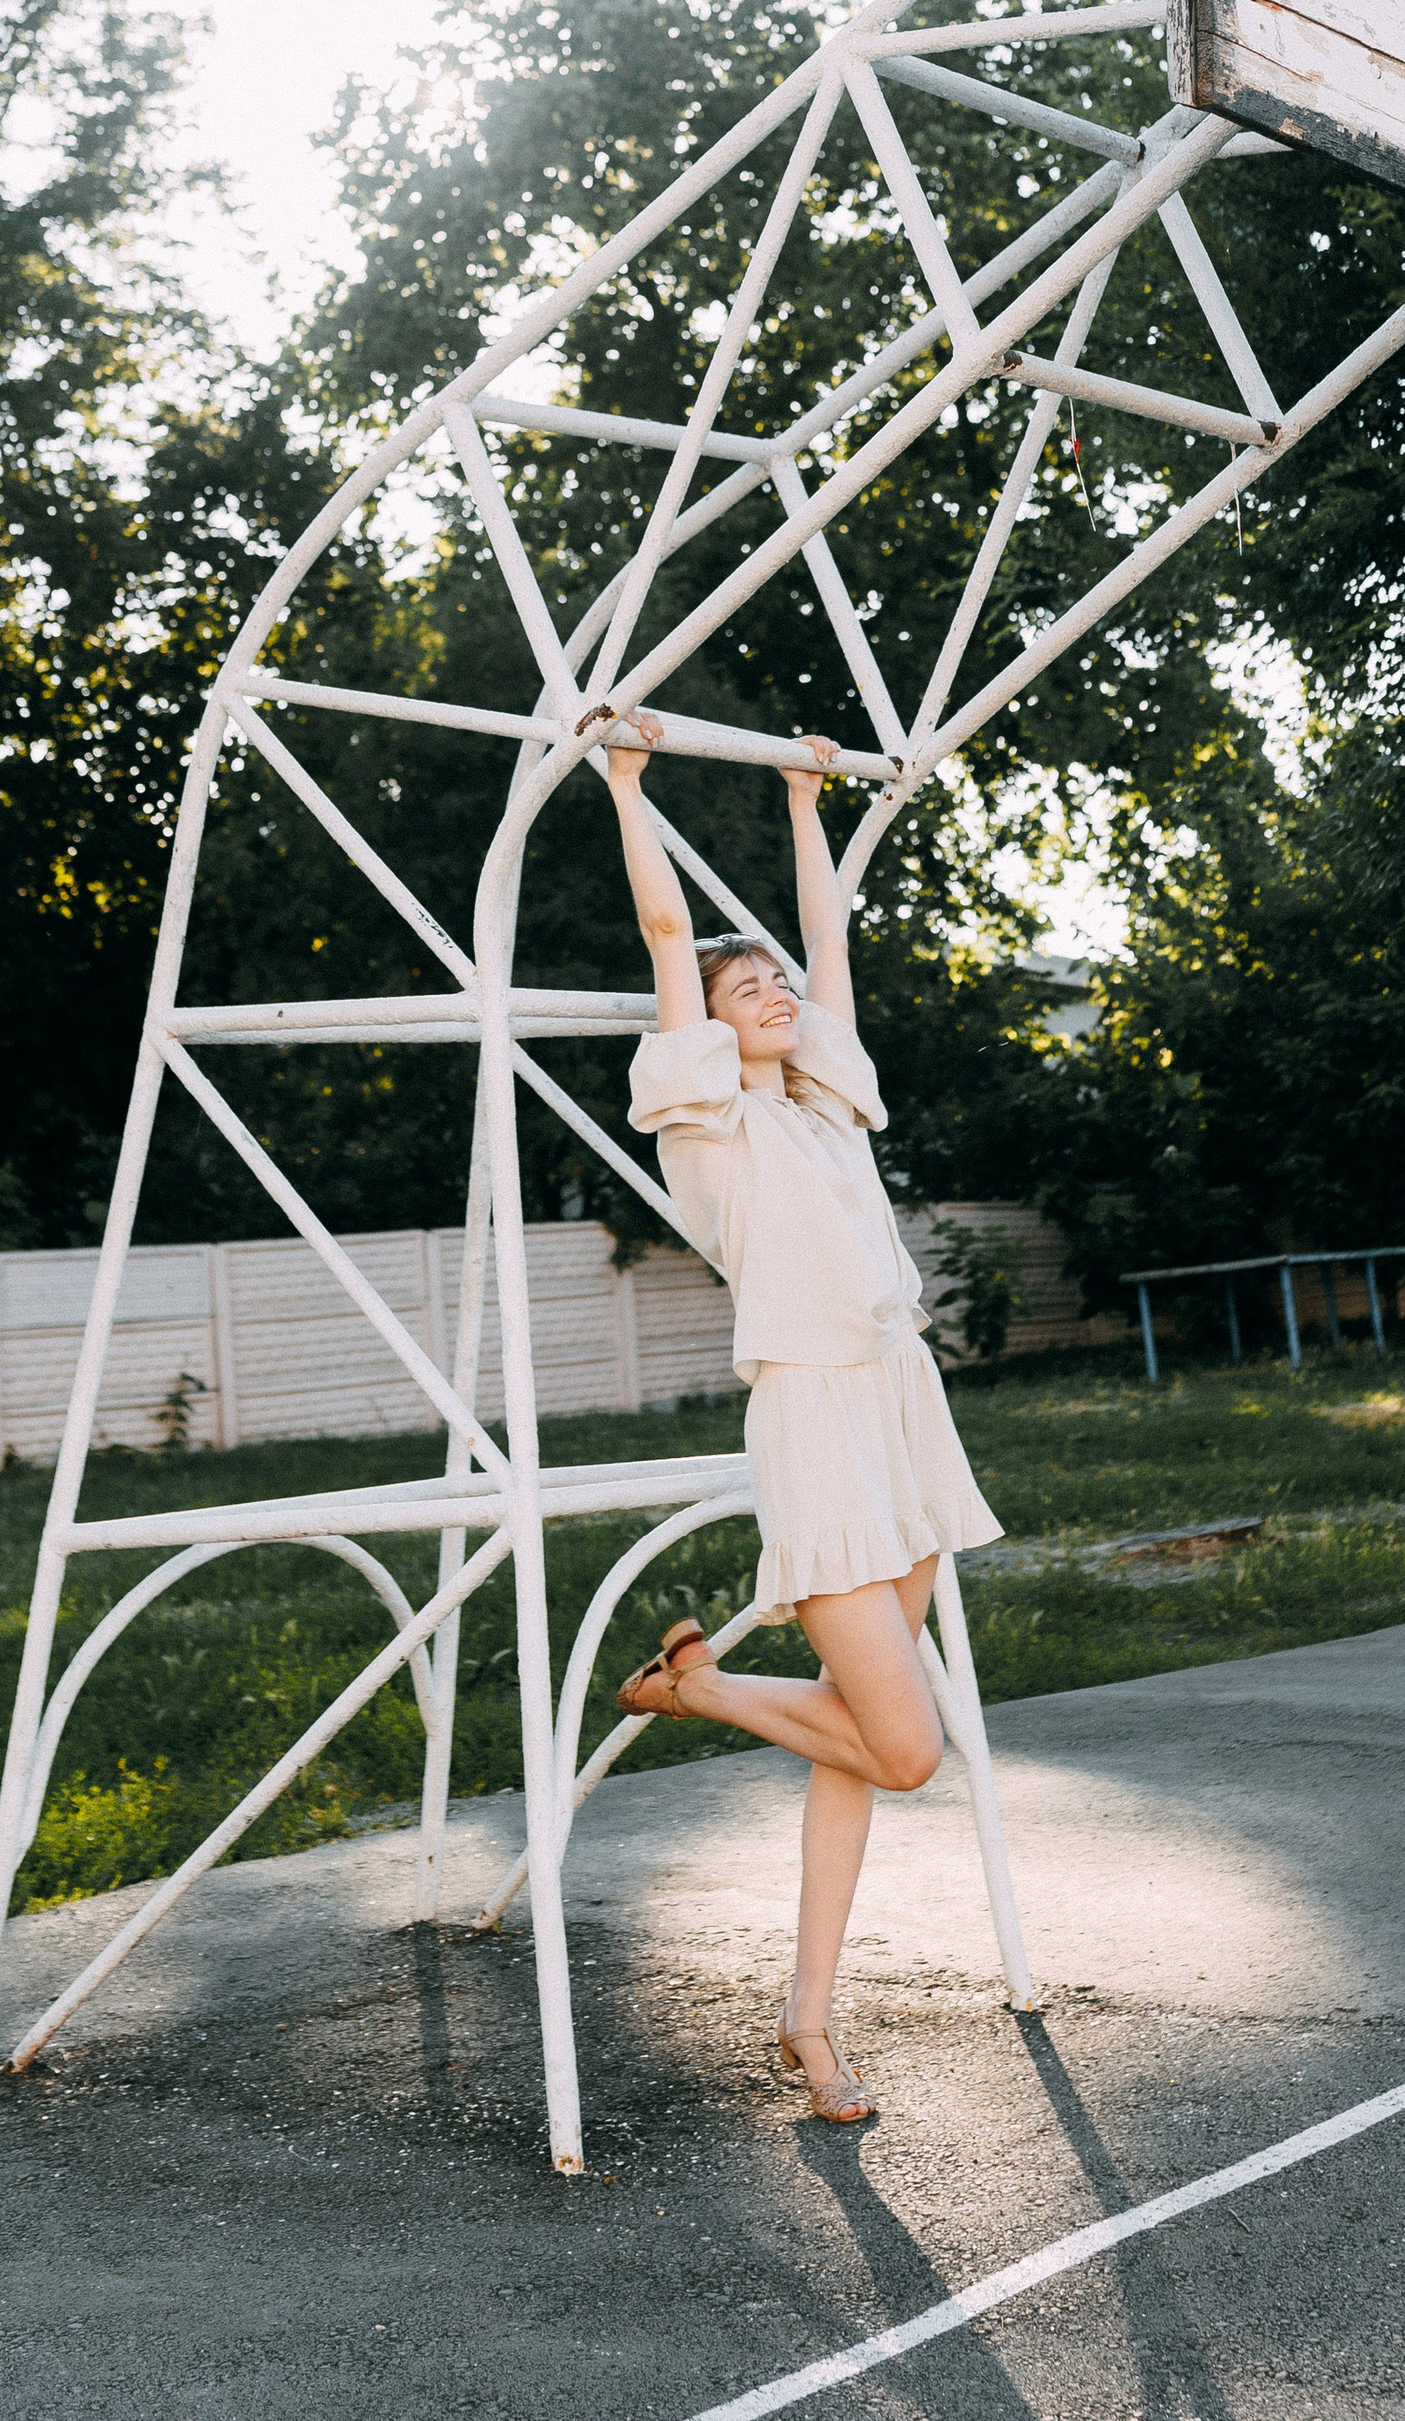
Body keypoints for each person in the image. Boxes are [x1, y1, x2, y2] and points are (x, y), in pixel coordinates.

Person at [602, 714, 1002, 2124]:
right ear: (705, 1026)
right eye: (743, 983)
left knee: (853, 1731)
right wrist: (627, 777)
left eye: (771, 978)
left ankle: (808, 2023)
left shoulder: (828, 1112)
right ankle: (701, 1685)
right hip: (821, 1426)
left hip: (902, 1411)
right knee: (902, 1750)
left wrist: (801, 799)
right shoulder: (712, 1127)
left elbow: (829, 952)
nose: (770, 989)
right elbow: (665, 933)